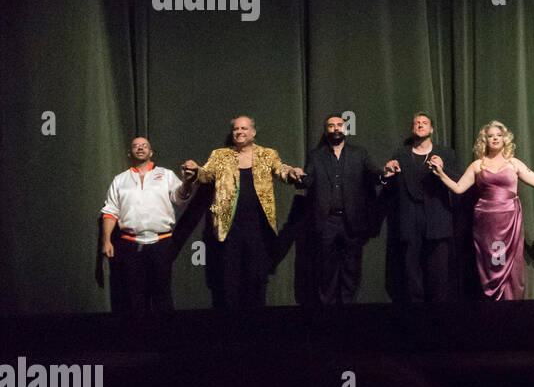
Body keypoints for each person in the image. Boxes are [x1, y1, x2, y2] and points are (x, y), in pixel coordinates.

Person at [430, 120, 534, 300]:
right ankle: (492, 307)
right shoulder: (478, 165)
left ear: (505, 139)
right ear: (485, 140)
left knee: (511, 267)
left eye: (498, 136)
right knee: (493, 264)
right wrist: (441, 174)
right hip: (487, 223)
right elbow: (459, 188)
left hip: (509, 221)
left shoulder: (513, 163)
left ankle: (510, 307)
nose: (495, 139)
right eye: (490, 136)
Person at [181, 117, 303, 308]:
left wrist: (291, 173)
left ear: (253, 133)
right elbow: (206, 174)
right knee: (230, 282)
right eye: (236, 129)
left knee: (256, 281)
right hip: (228, 230)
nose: (239, 132)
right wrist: (196, 171)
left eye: (244, 128)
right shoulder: (220, 155)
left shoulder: (267, 155)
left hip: (258, 230)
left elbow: (281, 170)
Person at [296, 114, 386, 304]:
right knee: (325, 272)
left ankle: (348, 313)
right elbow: (307, 180)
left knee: (351, 271)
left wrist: (385, 174)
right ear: (325, 130)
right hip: (326, 222)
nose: (336, 128)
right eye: (331, 126)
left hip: (352, 222)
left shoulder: (359, 153)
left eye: (339, 125)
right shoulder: (316, 155)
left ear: (344, 129)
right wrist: (296, 176)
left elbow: (374, 174)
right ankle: (326, 315)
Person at [100, 137, 195, 311]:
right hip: (130, 245)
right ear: (130, 153)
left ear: (150, 152)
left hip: (161, 243)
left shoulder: (165, 175)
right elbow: (110, 211)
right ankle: (139, 336)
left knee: (162, 295)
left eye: (144, 146)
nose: (140, 148)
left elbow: (180, 197)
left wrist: (188, 182)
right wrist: (107, 240)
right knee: (135, 297)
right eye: (136, 146)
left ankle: (165, 336)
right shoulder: (120, 180)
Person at [383, 113, 463, 303]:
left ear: (432, 129)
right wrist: (387, 174)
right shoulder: (401, 154)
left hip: (438, 219)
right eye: (417, 123)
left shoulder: (446, 154)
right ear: (413, 128)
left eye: (424, 123)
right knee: (411, 271)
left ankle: (438, 314)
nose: (420, 125)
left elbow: (459, 181)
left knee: (439, 272)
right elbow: (390, 187)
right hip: (410, 220)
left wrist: (443, 170)